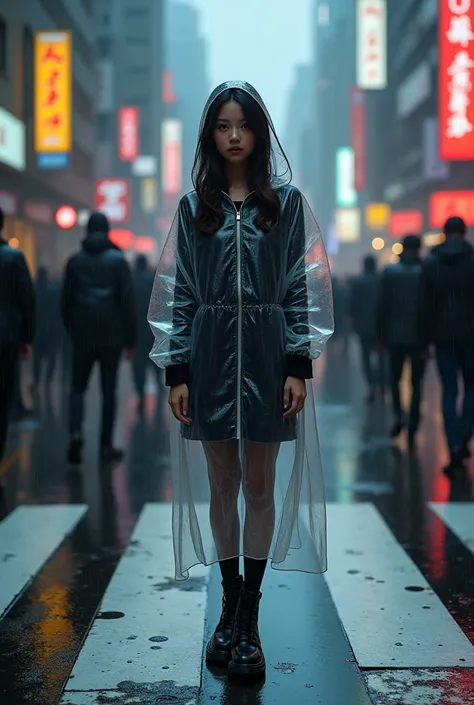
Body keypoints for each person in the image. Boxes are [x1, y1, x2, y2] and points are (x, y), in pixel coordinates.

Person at [148, 81, 334, 679]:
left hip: (265, 354)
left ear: (259, 132)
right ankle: (227, 607)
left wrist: (297, 364)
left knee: (260, 488)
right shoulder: (191, 206)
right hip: (206, 359)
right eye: (223, 126)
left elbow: (303, 287)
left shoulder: (285, 203)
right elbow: (176, 293)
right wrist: (176, 369)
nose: (233, 136)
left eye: (243, 125)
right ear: (210, 134)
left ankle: (249, 620)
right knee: (219, 487)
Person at [61, 212, 137, 464]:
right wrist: (131, 339)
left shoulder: (74, 261)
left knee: (76, 389)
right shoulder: (118, 261)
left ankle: (75, 434)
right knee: (108, 391)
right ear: (107, 231)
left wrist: (72, 331)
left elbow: (65, 302)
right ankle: (105, 445)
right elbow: (127, 302)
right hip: (111, 336)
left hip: (82, 335)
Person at [421, 215, 474, 476]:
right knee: (472, 387)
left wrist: (424, 340)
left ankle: (453, 443)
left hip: (442, 337)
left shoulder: (431, 264)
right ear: (464, 233)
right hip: (470, 336)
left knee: (449, 391)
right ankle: (465, 434)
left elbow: (424, 306)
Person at [377, 235, 426, 444]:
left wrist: (381, 336)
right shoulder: (425, 271)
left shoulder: (390, 272)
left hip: (394, 335)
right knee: (417, 382)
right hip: (419, 337)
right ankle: (413, 421)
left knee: (394, 380)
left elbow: (382, 306)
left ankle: (399, 415)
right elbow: (429, 309)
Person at [0, 207, 35, 461]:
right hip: (6, 338)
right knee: (2, 402)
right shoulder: (13, 258)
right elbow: (27, 301)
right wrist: (26, 337)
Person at [349, 255, 387, 402]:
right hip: (380, 326)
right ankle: (382, 385)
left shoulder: (358, 282)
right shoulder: (381, 281)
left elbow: (352, 304)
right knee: (382, 357)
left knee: (366, 358)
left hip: (363, 326)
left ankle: (371, 386)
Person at [132, 254, 163, 413]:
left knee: (139, 364)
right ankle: (159, 385)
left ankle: (140, 392)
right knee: (154, 362)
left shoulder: (132, 280)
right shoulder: (153, 279)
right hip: (152, 329)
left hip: (136, 330)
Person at [32, 266, 62, 390]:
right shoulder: (52, 291)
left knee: (37, 358)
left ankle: (37, 381)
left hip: (37, 330)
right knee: (51, 357)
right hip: (50, 329)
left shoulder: (33, 291)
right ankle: (48, 381)